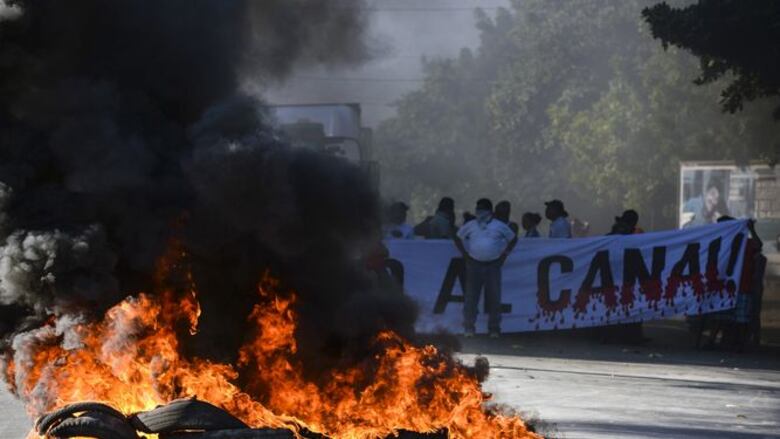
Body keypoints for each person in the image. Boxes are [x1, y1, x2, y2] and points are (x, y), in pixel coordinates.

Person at [454, 198, 518, 338]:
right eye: (478, 209)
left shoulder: (499, 225)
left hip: (493, 264)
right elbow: (457, 237)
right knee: (471, 297)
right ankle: (469, 328)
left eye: (482, 209)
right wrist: (465, 255)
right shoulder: (470, 225)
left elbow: (513, 238)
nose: (479, 212)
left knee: (494, 296)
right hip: (474, 264)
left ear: (490, 211)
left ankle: (494, 328)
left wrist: (504, 256)